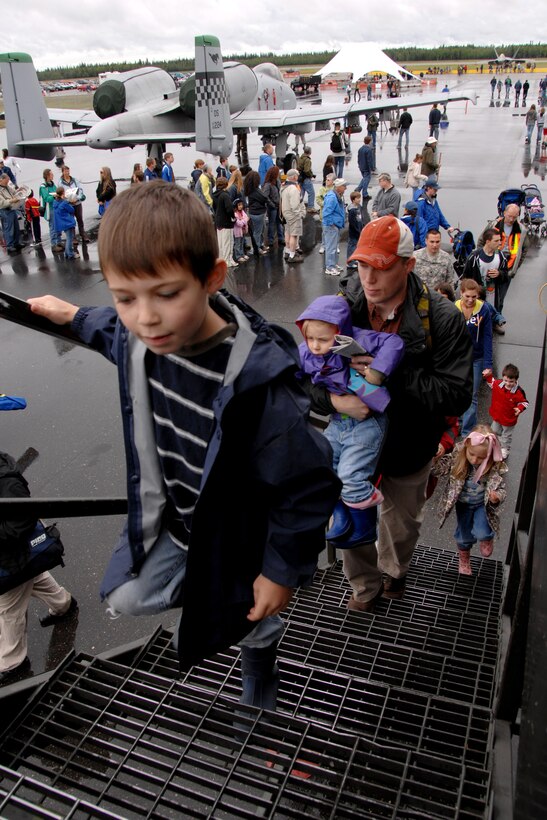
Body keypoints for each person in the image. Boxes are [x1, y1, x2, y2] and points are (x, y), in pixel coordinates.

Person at [27, 181, 340, 709]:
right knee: (124, 596)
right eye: (126, 296)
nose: (145, 316)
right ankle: (225, 603)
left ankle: (257, 649)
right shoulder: (142, 335)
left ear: (212, 278)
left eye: (166, 294)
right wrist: (71, 315)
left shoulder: (258, 389)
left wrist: (279, 571)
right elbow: (112, 330)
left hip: (238, 534)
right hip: (180, 519)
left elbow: (308, 487)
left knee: (249, 614)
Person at [302, 216, 473, 611]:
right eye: (362, 265)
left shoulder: (442, 318)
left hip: (410, 444)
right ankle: (365, 586)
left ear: (407, 265)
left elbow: (457, 395)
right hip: (353, 439)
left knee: (400, 524)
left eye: (380, 267)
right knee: (351, 519)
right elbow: (303, 377)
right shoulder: (341, 309)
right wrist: (336, 402)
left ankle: (395, 572)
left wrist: (392, 378)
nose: (368, 278)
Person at [295, 296, 404, 546]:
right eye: (309, 338)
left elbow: (394, 343)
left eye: (323, 339)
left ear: (339, 331)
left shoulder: (354, 339)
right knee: (323, 469)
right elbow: (293, 375)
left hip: (367, 421)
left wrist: (377, 372)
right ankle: (342, 517)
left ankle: (365, 527)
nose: (315, 346)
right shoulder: (306, 351)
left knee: (350, 476)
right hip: (338, 419)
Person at [0, 451, 78, 685]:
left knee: (8, 606)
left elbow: (20, 523)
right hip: (16, 557)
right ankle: (63, 604)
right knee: (33, 577)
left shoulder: (6, 481)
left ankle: (12, 662)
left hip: (12, 557)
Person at [432, 426, 507, 575]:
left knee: (482, 531)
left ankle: (487, 538)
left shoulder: (493, 467)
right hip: (463, 505)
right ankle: (464, 559)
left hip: (482, 505)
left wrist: (497, 497)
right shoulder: (458, 459)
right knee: (464, 535)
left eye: (481, 457)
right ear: (466, 447)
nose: (475, 460)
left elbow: (502, 488)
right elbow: (437, 471)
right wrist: (435, 460)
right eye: (472, 454)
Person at [455, 279, 493, 437]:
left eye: (474, 297)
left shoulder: (484, 310)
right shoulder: (453, 307)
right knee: (457, 391)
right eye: (467, 296)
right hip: (457, 358)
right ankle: (456, 423)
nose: (470, 300)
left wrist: (488, 363)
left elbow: (487, 337)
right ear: (461, 294)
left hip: (476, 358)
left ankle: (466, 432)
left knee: (473, 395)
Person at [463, 228, 509, 333]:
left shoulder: (500, 256)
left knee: (492, 307)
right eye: (496, 241)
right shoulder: (475, 256)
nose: (500, 243)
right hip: (478, 293)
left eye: (500, 240)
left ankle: (494, 324)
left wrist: (499, 274)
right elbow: (466, 276)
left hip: (493, 291)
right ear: (488, 241)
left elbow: (506, 275)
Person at [484, 363, 528, 458]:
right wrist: (488, 375)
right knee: (494, 431)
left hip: (509, 419)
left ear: (516, 380)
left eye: (511, 381)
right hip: (497, 415)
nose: (508, 383)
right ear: (503, 378)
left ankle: (504, 448)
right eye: (505, 380)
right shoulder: (498, 384)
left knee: (506, 435)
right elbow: (491, 382)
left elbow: (524, 402)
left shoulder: (519, 392)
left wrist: (519, 408)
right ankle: (496, 443)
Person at [478, 203, 527, 277]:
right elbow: (481, 241)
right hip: (490, 266)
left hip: (507, 269)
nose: (511, 220)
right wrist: (482, 260)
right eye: (509, 216)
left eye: (514, 217)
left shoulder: (522, 230)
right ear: (504, 213)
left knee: (502, 288)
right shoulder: (493, 225)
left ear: (518, 216)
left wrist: (515, 268)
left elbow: (524, 250)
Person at [415, 179, 455, 248]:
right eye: (435, 189)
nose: (437, 190)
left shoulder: (434, 201)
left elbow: (439, 215)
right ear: (428, 188)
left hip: (434, 235)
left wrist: (447, 226)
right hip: (426, 238)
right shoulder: (421, 203)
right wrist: (423, 244)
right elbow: (419, 224)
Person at [322, 177, 347, 276]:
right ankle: (329, 267)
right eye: (344, 186)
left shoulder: (337, 195)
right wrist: (332, 224)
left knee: (334, 247)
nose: (345, 188)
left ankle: (333, 264)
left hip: (335, 225)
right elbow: (326, 213)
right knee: (331, 247)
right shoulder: (332, 197)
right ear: (338, 187)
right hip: (331, 226)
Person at [280, 169, 305, 264]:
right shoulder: (293, 188)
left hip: (286, 213)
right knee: (293, 235)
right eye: (297, 175)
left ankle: (287, 252)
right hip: (293, 215)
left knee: (287, 233)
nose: (298, 176)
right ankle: (292, 255)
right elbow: (295, 205)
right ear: (294, 177)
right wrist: (300, 214)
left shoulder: (283, 186)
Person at [243, 170, 271, 256]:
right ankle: (257, 247)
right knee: (258, 232)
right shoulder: (256, 190)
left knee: (260, 230)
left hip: (253, 212)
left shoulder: (249, 189)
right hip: (258, 213)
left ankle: (260, 245)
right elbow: (264, 198)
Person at [58, 165, 88, 242]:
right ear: (63, 172)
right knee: (71, 220)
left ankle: (83, 235)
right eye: (65, 171)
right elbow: (61, 194)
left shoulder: (74, 180)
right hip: (69, 205)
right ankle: (73, 238)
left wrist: (77, 198)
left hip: (77, 203)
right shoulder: (60, 183)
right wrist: (69, 200)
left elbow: (80, 190)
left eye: (68, 171)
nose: (67, 172)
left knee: (80, 219)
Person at [212, 176, 236, 268]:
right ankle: (228, 261)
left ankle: (222, 260)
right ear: (226, 185)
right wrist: (233, 217)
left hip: (218, 221)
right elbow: (229, 209)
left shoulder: (214, 194)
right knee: (228, 242)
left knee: (221, 243)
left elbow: (214, 207)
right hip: (226, 222)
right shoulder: (225, 195)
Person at [0, 174, 24, 254]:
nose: (8, 181)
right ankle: (10, 246)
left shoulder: (7, 187)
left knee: (16, 227)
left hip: (12, 208)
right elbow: (2, 203)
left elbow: (14, 192)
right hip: (5, 211)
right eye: (7, 180)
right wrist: (12, 200)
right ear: (2, 180)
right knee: (9, 229)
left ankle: (16, 243)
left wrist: (19, 190)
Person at [39, 168, 62, 252]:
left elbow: (56, 191)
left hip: (56, 207)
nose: (53, 175)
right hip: (50, 209)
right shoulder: (43, 186)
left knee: (58, 225)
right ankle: (54, 244)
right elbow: (46, 198)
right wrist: (54, 196)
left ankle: (59, 242)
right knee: (53, 227)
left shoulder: (52, 184)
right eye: (51, 174)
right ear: (47, 176)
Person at [53, 187, 78, 260]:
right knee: (69, 239)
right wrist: (66, 200)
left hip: (61, 223)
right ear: (63, 193)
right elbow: (72, 210)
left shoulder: (55, 203)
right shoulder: (64, 203)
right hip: (67, 222)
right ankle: (70, 254)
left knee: (68, 238)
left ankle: (67, 253)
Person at [262, 165, 284, 248]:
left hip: (278, 206)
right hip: (273, 207)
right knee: (272, 224)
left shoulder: (277, 181)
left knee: (279, 223)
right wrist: (272, 204)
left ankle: (281, 238)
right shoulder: (268, 184)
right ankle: (270, 240)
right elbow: (265, 196)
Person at [316, 173, 335, 256]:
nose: (326, 181)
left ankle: (335, 245)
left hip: (333, 214)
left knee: (334, 231)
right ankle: (323, 245)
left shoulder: (335, 190)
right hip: (323, 214)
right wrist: (324, 203)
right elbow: (318, 199)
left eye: (328, 180)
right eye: (326, 179)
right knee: (324, 231)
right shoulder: (322, 189)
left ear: (333, 182)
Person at [297, 146, 317, 212]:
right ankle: (310, 207)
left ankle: (298, 206)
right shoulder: (307, 160)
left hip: (300, 178)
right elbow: (307, 170)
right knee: (311, 193)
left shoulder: (301, 158)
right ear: (310, 152)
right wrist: (311, 175)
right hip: (306, 178)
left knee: (301, 193)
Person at [346, 191, 363, 269]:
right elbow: (352, 222)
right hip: (354, 232)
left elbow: (360, 219)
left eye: (360, 198)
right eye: (357, 198)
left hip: (358, 230)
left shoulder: (358, 207)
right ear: (353, 200)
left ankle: (354, 259)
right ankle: (350, 262)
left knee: (355, 246)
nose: (359, 199)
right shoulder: (352, 210)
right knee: (352, 247)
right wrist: (357, 231)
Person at [232, 198, 250, 263]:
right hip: (237, 232)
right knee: (237, 244)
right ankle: (238, 256)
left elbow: (247, 218)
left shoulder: (242, 212)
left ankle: (242, 254)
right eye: (239, 205)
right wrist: (244, 221)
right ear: (236, 206)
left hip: (243, 231)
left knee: (242, 243)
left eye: (241, 205)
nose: (241, 206)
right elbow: (239, 223)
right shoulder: (235, 214)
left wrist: (242, 220)